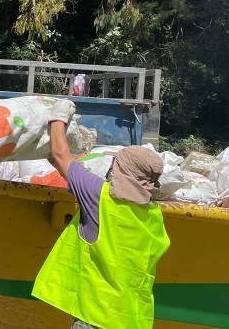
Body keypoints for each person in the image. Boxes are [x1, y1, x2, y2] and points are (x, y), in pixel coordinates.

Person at [32, 116, 170, 329]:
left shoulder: (99, 196)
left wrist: (56, 117)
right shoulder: (153, 215)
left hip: (96, 316)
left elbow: (61, 156)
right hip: (131, 320)